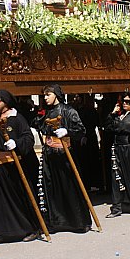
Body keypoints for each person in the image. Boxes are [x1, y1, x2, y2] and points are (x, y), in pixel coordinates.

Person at [0, 89, 40, 243]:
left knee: (21, 198)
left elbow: (28, 138)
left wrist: (17, 143)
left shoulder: (17, 119)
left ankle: (31, 228)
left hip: (13, 165)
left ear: (6, 103)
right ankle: (1, 232)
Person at [33, 84, 91, 233]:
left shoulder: (69, 111)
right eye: (44, 95)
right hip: (49, 155)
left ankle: (79, 221)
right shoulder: (46, 112)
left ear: (56, 95)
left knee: (70, 186)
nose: (45, 98)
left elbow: (81, 130)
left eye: (48, 95)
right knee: (51, 189)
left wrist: (67, 131)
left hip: (65, 154)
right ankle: (55, 222)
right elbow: (38, 125)